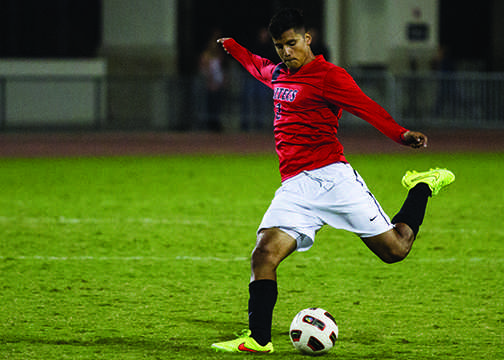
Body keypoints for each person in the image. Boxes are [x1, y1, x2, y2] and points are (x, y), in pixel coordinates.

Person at [211, 9, 455, 353]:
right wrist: (235, 46)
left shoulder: (329, 76)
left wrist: (401, 135)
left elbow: (366, 107)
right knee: (263, 254)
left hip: (332, 179)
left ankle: (423, 186)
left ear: (307, 39)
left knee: (395, 250)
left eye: (292, 43)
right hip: (295, 187)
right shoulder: (279, 74)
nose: (286, 52)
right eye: (280, 46)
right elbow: (255, 64)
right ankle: (259, 339)